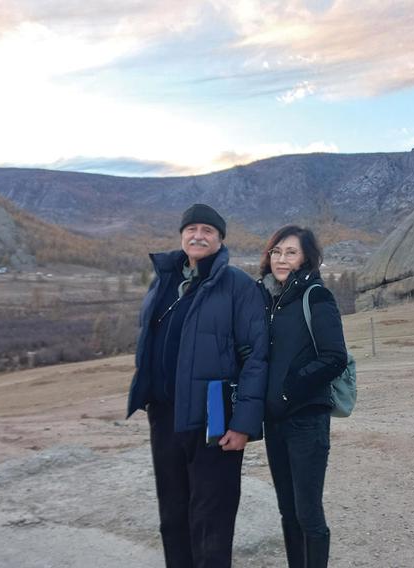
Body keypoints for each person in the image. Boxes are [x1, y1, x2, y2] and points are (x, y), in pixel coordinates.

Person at [127, 203, 268, 568]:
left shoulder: (237, 285)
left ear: (220, 240)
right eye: (192, 229)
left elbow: (256, 356)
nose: (198, 235)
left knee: (211, 521)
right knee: (172, 517)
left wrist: (244, 424)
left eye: (208, 230)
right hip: (165, 416)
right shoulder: (165, 281)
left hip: (215, 420)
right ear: (181, 235)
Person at [257, 225, 348, 568]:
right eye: (276, 251)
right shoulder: (269, 299)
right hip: (276, 422)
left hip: (306, 421)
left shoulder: (316, 296)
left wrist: (289, 389)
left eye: (290, 252)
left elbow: (334, 357)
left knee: (308, 513)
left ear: (306, 257)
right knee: (287, 511)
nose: (281, 258)